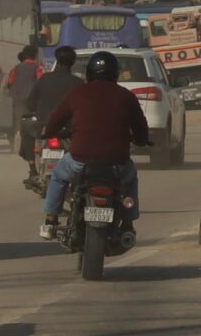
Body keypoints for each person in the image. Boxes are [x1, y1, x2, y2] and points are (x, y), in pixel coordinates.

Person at [39, 51, 151, 240]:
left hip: (80, 161)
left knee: (58, 176)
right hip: (117, 163)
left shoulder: (78, 93)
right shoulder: (126, 96)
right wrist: (141, 140)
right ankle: (128, 222)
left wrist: (48, 132)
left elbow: (55, 120)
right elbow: (141, 127)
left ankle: (51, 221)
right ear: (115, 73)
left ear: (89, 72)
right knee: (130, 178)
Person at [22, 45, 82, 189]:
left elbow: (30, 102)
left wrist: (34, 111)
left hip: (45, 128)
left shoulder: (44, 79)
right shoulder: (78, 83)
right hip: (69, 131)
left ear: (57, 60)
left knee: (25, 128)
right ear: (72, 63)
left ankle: (32, 169)